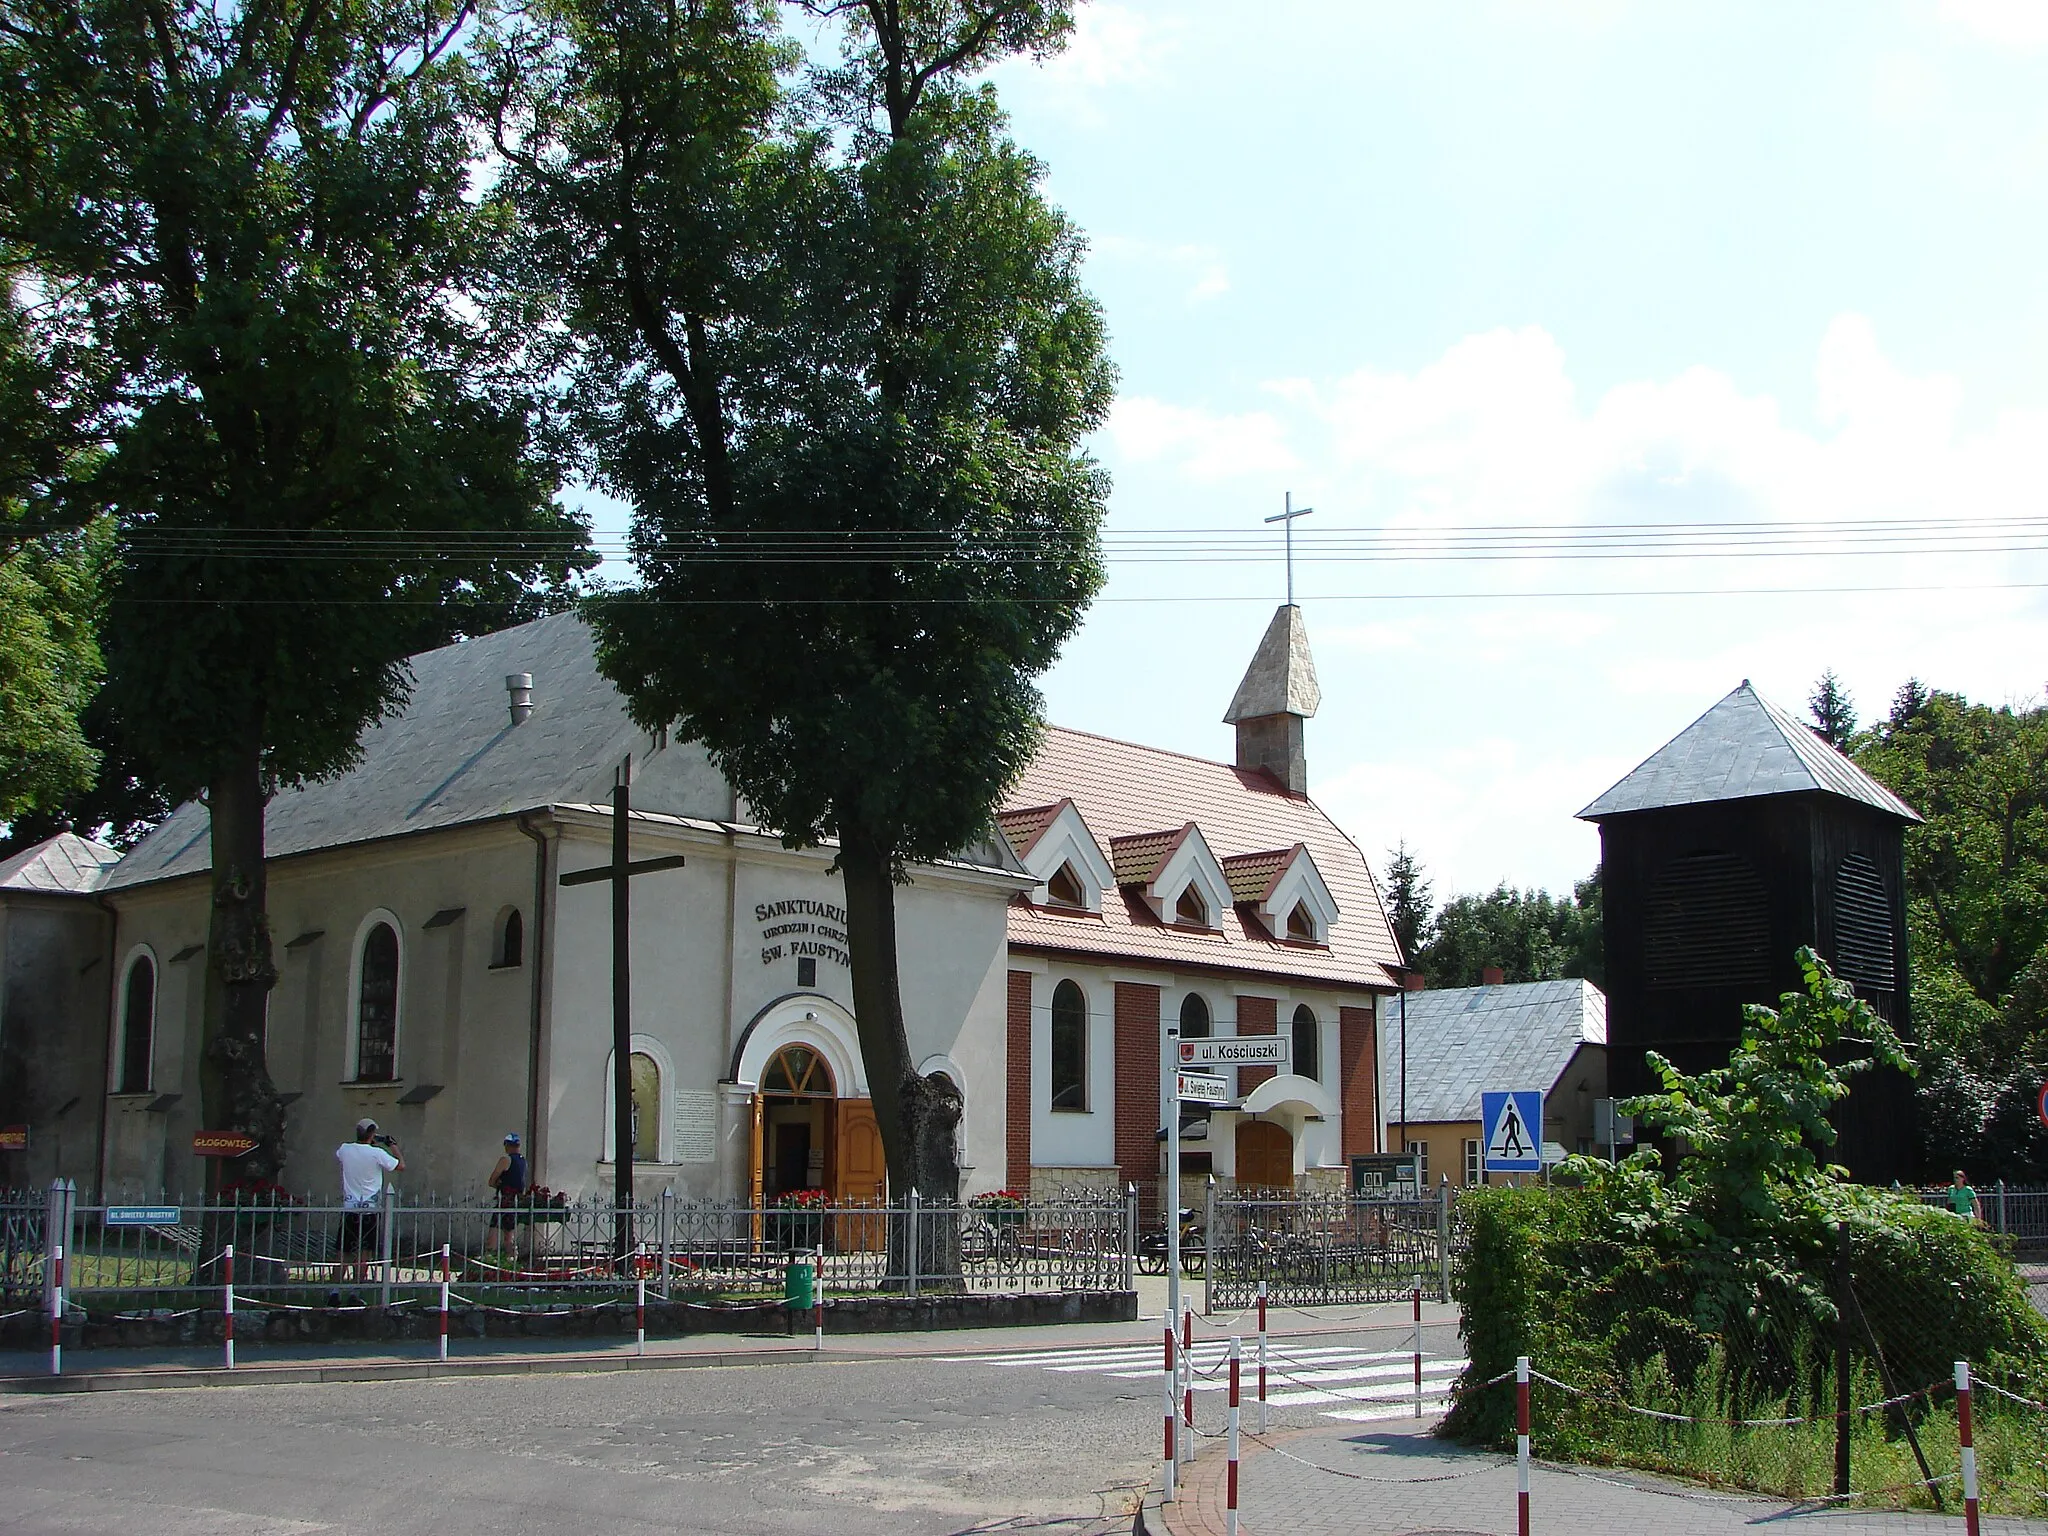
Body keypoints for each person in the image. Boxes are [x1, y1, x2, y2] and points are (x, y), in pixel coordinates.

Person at [336, 1118, 402, 1281]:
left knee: (343, 1252)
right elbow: (400, 1165)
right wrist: (392, 1145)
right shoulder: (377, 1153)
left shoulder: (345, 1149)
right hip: (370, 1209)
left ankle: (334, 1291)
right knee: (364, 1253)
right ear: (372, 1134)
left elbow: (345, 1154)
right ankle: (356, 1290)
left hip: (350, 1207)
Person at [485, 1132, 528, 1260]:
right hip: (517, 1201)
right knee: (509, 1233)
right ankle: (511, 1258)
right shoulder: (523, 1161)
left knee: (494, 1228)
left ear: (507, 1146)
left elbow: (492, 1180)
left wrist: (499, 1184)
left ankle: (489, 1256)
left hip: (505, 1200)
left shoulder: (505, 1160)